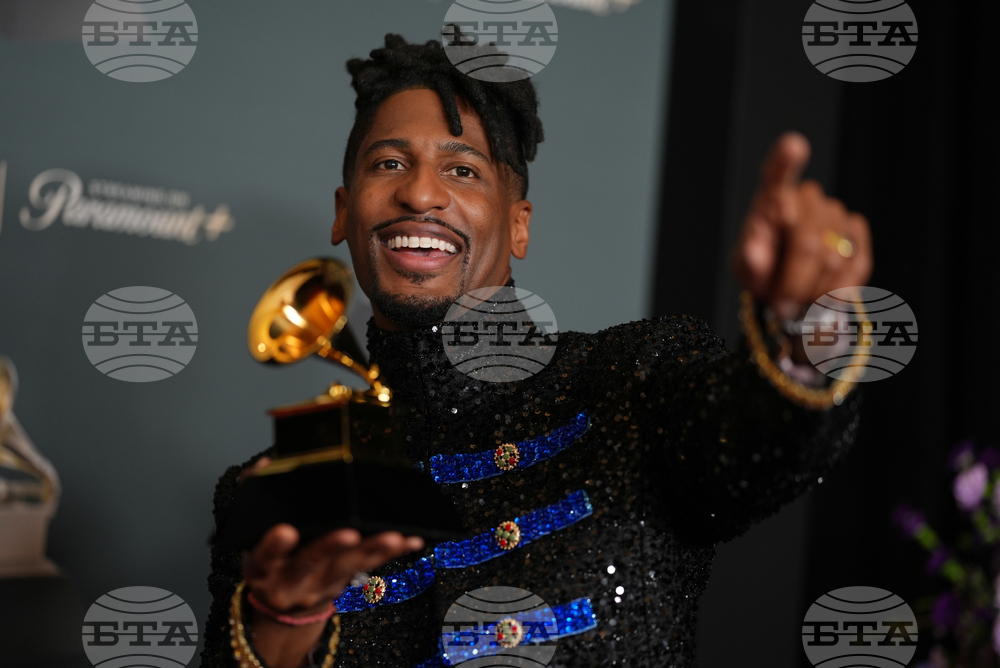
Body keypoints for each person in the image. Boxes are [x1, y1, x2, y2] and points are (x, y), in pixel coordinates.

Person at [201, 33, 872, 668]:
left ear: (519, 223)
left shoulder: (632, 379)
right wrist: (282, 624)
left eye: (461, 170)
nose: (420, 192)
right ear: (345, 212)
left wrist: (805, 339)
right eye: (389, 163)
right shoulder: (272, 486)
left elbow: (758, 445)